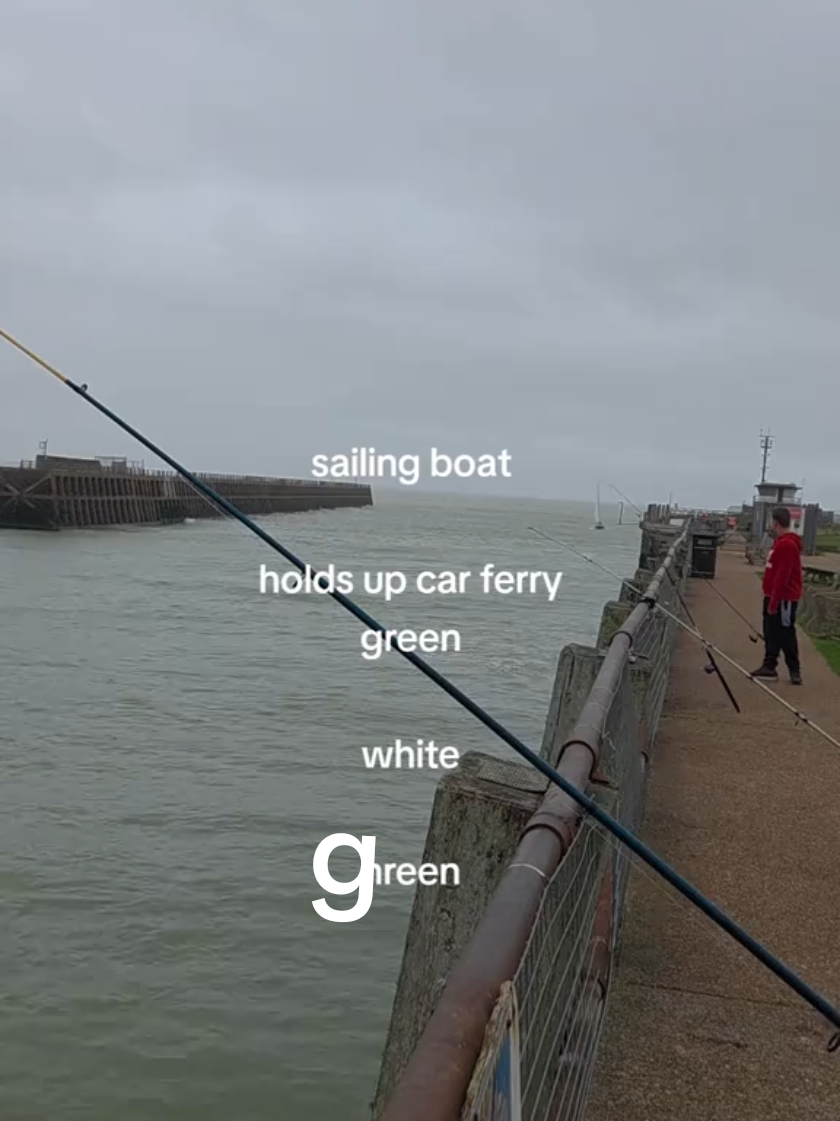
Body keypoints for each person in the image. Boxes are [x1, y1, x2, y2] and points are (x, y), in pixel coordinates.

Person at [751, 506, 803, 684]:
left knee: (785, 632)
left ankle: (794, 669)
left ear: (775, 523)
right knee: (771, 631)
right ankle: (769, 665)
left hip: (784, 599)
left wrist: (774, 602)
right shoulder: (780, 543)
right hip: (773, 596)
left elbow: (784, 576)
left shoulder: (787, 544)